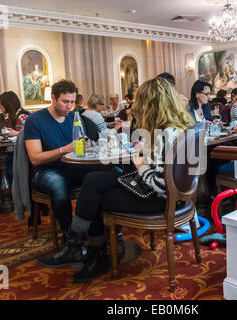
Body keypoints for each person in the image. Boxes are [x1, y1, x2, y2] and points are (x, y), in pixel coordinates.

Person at [62, 77, 195, 283]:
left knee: (94, 196)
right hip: (176, 195)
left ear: (149, 103)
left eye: (139, 101)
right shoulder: (178, 127)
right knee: (93, 180)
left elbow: (160, 184)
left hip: (160, 199)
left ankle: (92, 252)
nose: (135, 106)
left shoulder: (165, 134)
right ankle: (79, 244)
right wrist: (145, 147)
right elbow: (167, 167)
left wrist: (140, 164)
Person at [25, 80, 99, 269]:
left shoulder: (75, 116)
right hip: (47, 170)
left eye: (72, 102)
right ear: (53, 98)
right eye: (65, 102)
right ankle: (70, 239)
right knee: (59, 186)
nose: (69, 107)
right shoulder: (35, 120)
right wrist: (63, 150)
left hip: (73, 167)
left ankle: (98, 231)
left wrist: (87, 146)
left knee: (99, 177)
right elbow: (35, 158)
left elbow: (80, 145)